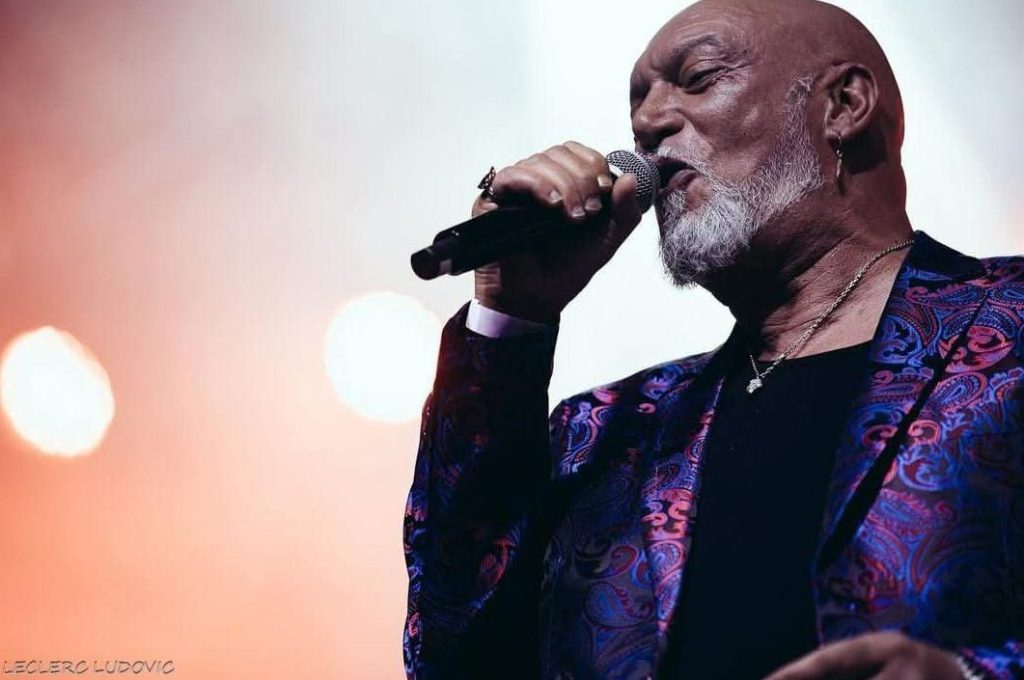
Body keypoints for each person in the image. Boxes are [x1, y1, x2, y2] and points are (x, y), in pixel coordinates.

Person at [402, 0, 1024, 677]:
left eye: (698, 78)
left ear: (844, 105)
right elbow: (454, 654)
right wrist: (512, 315)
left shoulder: (1009, 325)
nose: (648, 123)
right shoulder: (602, 433)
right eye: (637, 104)